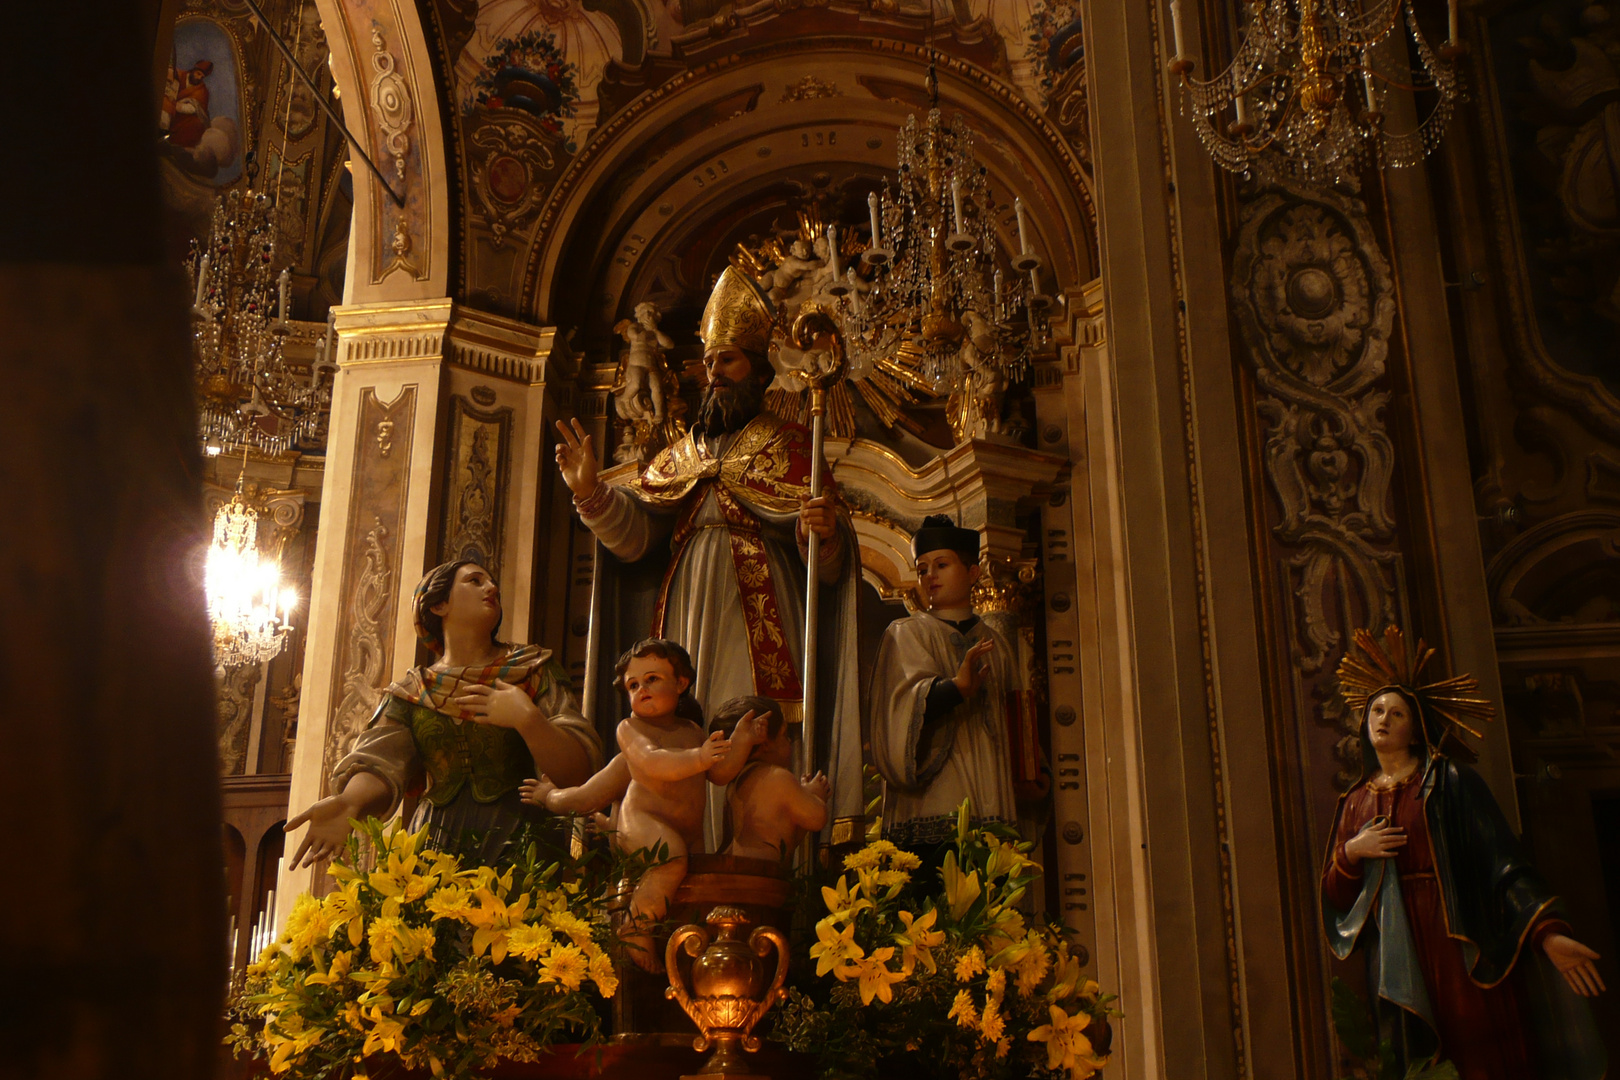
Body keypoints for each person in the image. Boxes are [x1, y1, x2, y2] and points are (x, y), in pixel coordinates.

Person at [554, 265, 866, 843]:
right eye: (709, 361)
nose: (713, 374)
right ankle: (685, 849)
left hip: (765, 608)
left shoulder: (796, 447)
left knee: (754, 728)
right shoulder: (681, 454)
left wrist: (817, 534)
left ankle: (757, 850)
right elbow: (637, 539)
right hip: (686, 602)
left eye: (728, 361)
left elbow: (830, 570)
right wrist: (590, 493)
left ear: (756, 370)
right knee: (681, 724)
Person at [1322, 627, 1607, 1080]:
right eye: (1376, 710)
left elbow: (1503, 864)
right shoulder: (1355, 800)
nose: (1383, 719)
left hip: (1456, 931)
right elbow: (1337, 897)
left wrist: (1545, 931)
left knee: (1476, 1042)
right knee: (1411, 1047)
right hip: (1393, 942)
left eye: (1397, 713)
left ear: (1416, 730)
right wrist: (1352, 853)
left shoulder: (1450, 782)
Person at [285, 560, 601, 869]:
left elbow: (580, 773)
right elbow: (380, 761)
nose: (491, 587)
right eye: (475, 581)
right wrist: (348, 801)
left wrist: (528, 720)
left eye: (492, 583)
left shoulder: (532, 669)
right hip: (434, 844)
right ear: (438, 605)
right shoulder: (413, 691)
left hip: (522, 842)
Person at [520, 639, 753, 971]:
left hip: (688, 830)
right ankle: (636, 926)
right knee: (671, 859)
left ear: (681, 683)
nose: (641, 689)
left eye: (652, 679)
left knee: (697, 881)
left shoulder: (691, 730)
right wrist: (548, 796)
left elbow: (719, 773)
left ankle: (690, 953)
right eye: (633, 684)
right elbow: (654, 762)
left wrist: (741, 740)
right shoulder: (630, 730)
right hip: (643, 823)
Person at [870, 514, 1020, 849]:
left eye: (941, 565)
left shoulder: (999, 645)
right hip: (931, 803)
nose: (929, 576)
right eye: (922, 569)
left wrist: (1034, 780)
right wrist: (955, 689)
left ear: (972, 573)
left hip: (991, 794)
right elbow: (897, 713)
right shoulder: (906, 634)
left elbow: (1018, 722)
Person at [707, 695, 830, 861]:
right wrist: (815, 794)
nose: (789, 742)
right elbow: (816, 818)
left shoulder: (737, 781)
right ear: (765, 743)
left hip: (733, 870)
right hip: (758, 876)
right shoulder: (777, 777)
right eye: (784, 735)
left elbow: (786, 838)